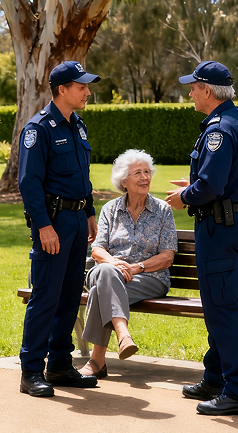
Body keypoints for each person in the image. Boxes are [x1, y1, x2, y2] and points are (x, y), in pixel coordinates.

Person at [165, 61, 238, 416]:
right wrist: (195, 186)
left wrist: (185, 197)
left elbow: (211, 186)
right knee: (224, 304)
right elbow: (230, 177)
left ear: (207, 90)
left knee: (224, 309)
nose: (190, 93)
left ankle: (237, 392)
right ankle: (215, 378)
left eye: (193, 87)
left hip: (219, 228)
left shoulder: (218, 129)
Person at [17, 60, 102, 397]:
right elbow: (29, 183)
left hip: (78, 221)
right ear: (62, 89)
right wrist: (43, 226)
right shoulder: (39, 129)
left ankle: (60, 365)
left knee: (69, 296)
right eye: (81, 87)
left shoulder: (77, 125)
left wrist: (90, 212)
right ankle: (31, 371)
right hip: (53, 222)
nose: (87, 92)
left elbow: (82, 175)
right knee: (46, 297)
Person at [79, 149, 177, 378]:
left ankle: (97, 362)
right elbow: (97, 250)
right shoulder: (110, 209)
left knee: (100, 291)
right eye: (137, 173)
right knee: (105, 273)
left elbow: (167, 256)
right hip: (108, 271)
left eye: (147, 172)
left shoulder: (162, 210)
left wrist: (136, 267)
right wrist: (114, 263)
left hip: (149, 277)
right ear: (123, 181)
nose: (145, 177)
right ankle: (123, 335)